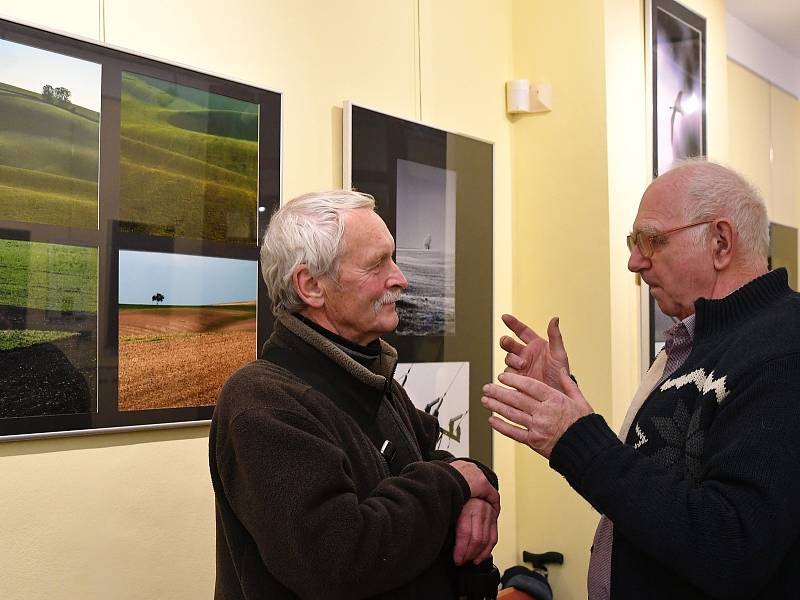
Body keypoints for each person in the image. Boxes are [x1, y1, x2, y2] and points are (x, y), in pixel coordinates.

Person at [482, 160, 800, 598]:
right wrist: (568, 404)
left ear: (721, 242)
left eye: (652, 240)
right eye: (634, 241)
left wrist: (576, 438)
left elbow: (733, 545)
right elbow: (657, 492)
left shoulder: (782, 354)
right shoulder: (698, 341)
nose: (635, 261)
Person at [210, 190, 500, 599]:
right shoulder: (262, 403)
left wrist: (476, 487)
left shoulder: (370, 377)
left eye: (393, 259)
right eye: (377, 264)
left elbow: (429, 462)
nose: (400, 278)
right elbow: (338, 558)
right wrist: (457, 483)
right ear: (311, 285)